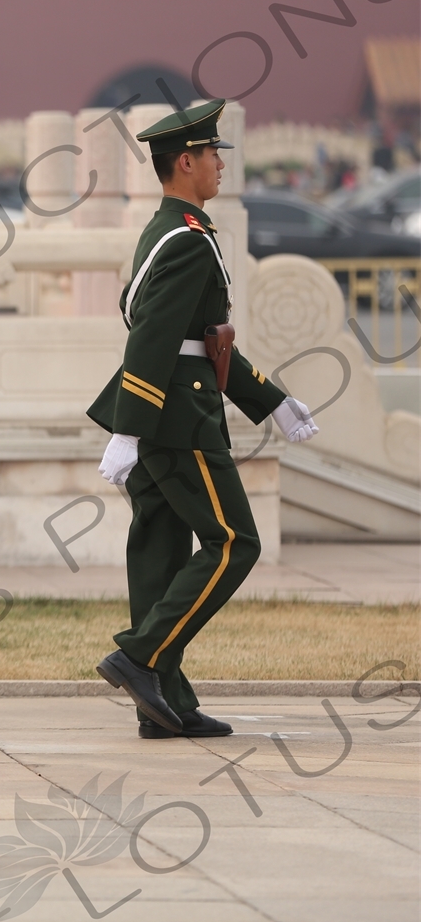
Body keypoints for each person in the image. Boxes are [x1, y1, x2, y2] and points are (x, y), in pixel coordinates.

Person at [88, 98, 318, 739]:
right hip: (178, 418)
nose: (221, 165)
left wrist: (270, 398)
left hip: (166, 411)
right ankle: (141, 659)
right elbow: (154, 341)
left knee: (160, 553)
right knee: (234, 543)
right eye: (213, 155)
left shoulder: (175, 228)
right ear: (184, 162)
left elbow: (204, 341)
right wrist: (129, 429)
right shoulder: (187, 240)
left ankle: (165, 705)